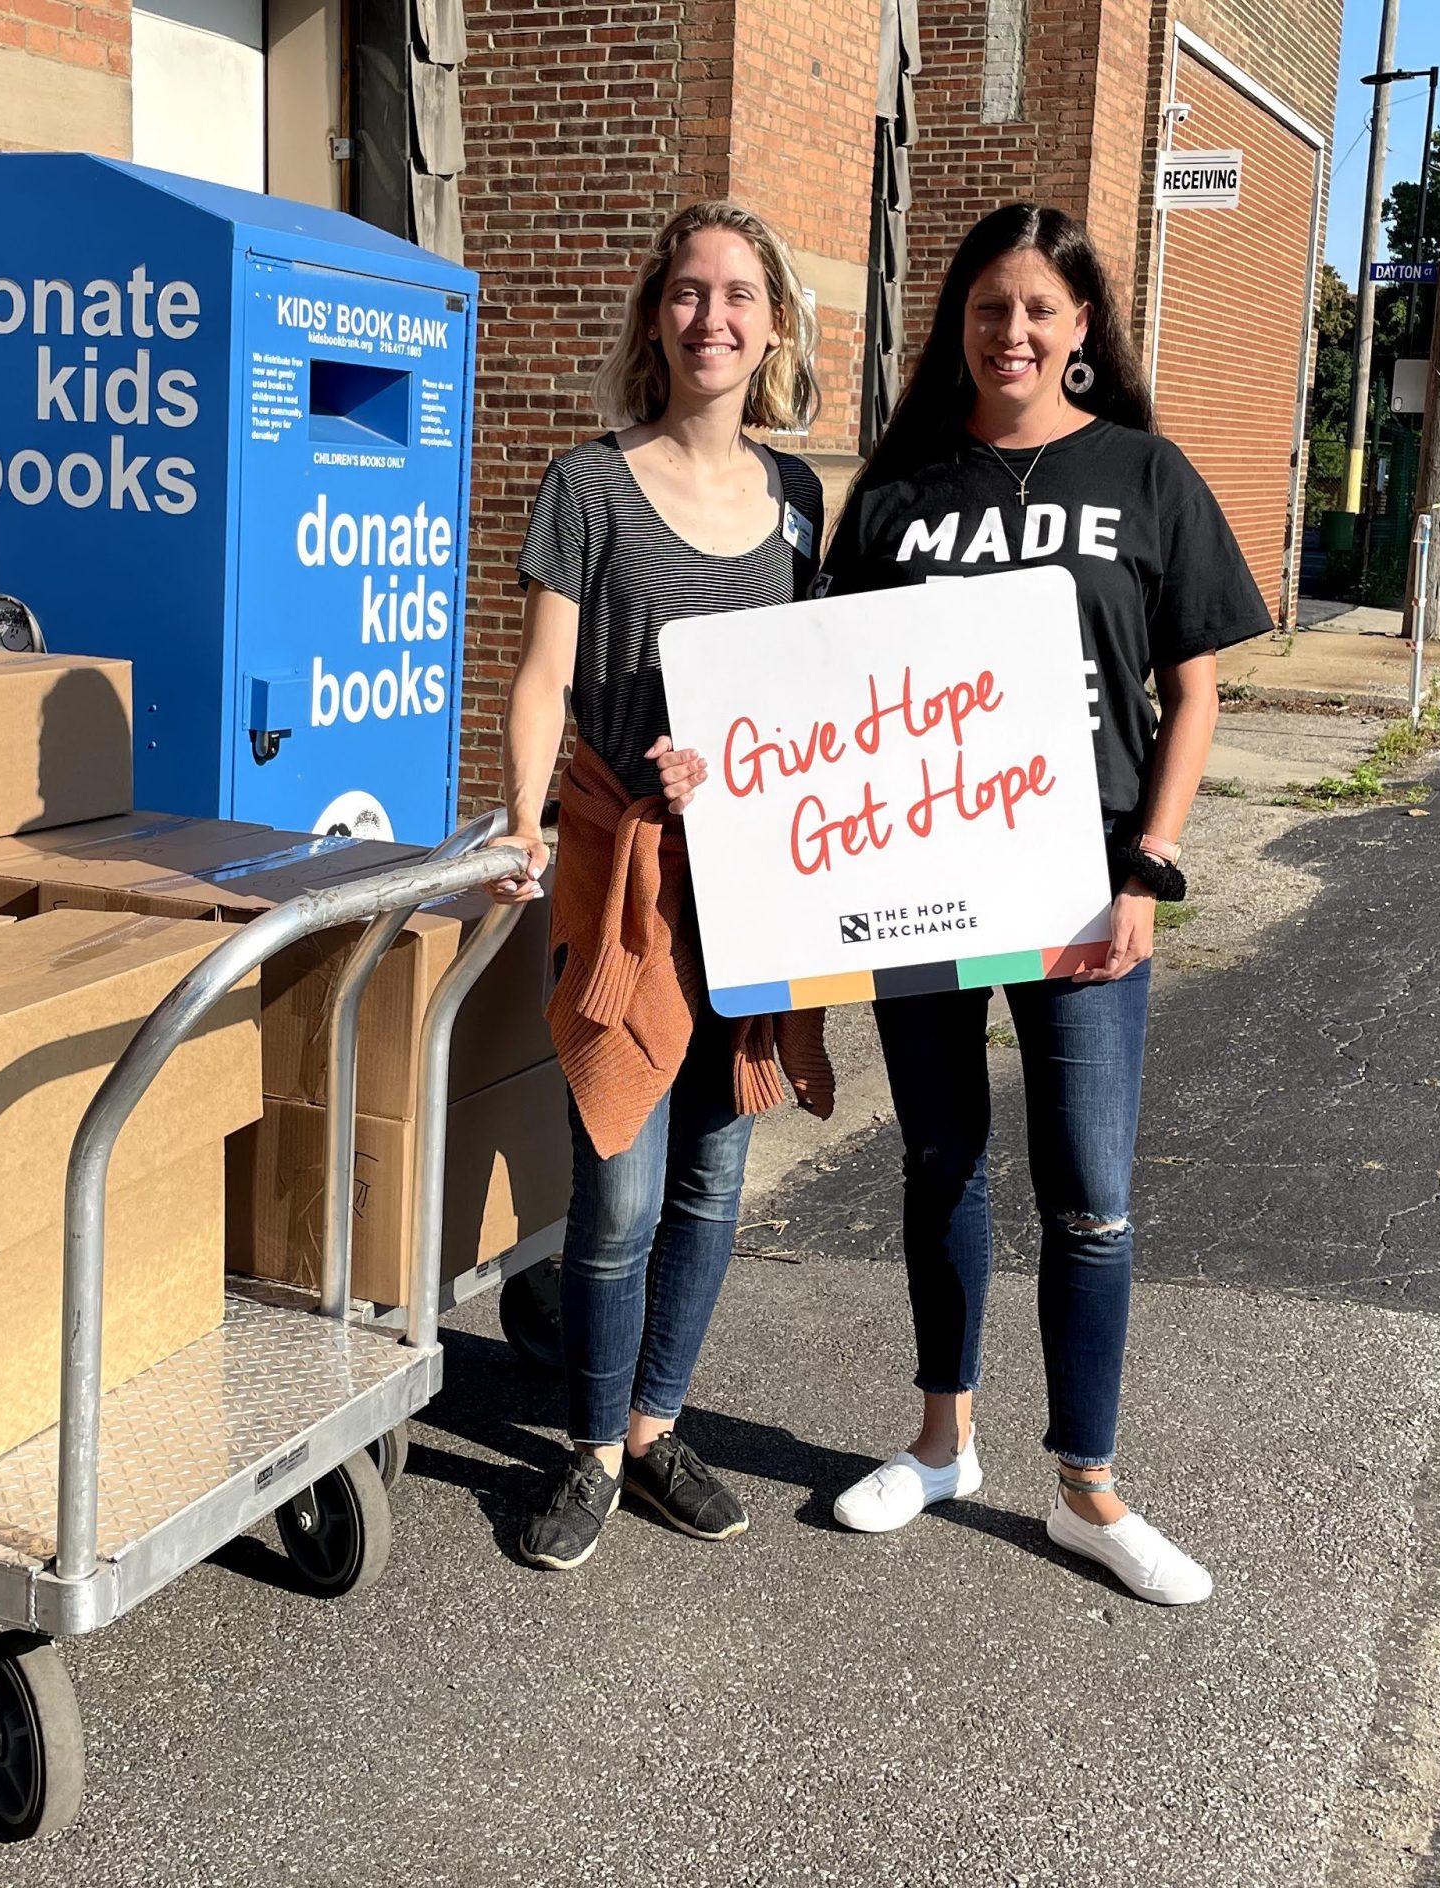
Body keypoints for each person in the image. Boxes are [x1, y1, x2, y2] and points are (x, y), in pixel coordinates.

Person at [775, 201, 1264, 1603]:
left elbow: (1195, 690)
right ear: (960, 324)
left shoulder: (1145, 475)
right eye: (991, 308)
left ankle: (1088, 1489)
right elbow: (833, 700)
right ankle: (941, 1444)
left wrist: (1147, 869)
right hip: (917, 888)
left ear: (1084, 328)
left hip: (1082, 890)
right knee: (938, 1163)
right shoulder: (899, 491)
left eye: (1041, 309)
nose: (1015, 332)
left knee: (1090, 1199)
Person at [492, 201, 835, 1574]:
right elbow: (543, 678)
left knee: (712, 1175)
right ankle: (582, 1448)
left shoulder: (801, 504)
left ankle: (651, 1428)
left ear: (774, 325)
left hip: (749, 880)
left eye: (739, 294)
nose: (713, 318)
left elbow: (820, 700)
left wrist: (751, 767)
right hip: (624, 870)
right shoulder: (589, 485)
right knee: (620, 1186)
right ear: (655, 316)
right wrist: (522, 820)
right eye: (688, 293)